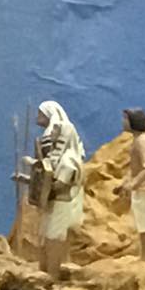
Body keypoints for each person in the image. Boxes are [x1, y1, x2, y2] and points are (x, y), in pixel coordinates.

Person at [32, 101, 86, 278]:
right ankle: (44, 271)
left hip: (61, 204)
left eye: (56, 131)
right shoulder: (60, 158)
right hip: (52, 203)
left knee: (54, 238)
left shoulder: (68, 161)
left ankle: (52, 274)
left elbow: (60, 184)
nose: (52, 133)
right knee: (46, 236)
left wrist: (42, 185)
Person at [114, 109, 145, 262]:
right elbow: (136, 168)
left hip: (144, 188)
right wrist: (126, 183)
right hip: (144, 186)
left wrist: (133, 184)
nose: (123, 122)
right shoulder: (143, 138)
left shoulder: (142, 140)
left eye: (125, 119)